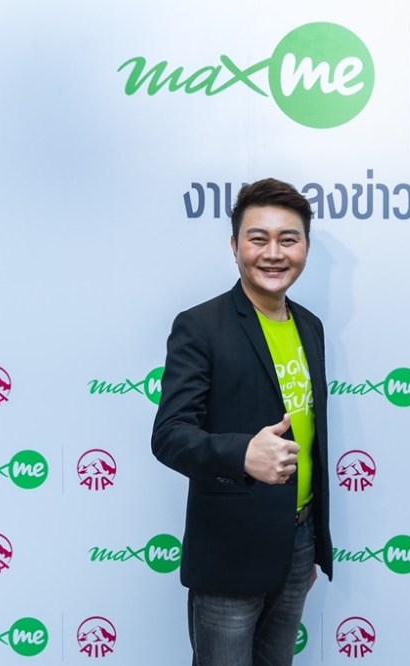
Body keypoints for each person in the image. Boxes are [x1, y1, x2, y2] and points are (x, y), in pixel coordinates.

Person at [152, 177, 332, 666]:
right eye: (258, 239)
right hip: (229, 552)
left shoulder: (310, 325)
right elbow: (169, 435)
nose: (273, 253)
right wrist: (242, 454)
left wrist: (310, 543)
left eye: (288, 239)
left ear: (306, 247)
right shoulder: (200, 326)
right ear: (235, 246)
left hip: (297, 543)